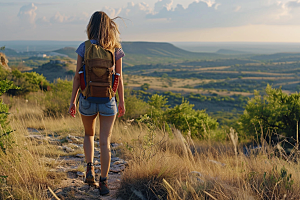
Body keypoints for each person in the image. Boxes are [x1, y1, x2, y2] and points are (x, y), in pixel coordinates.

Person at [68, 11, 125, 196]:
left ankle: (90, 169)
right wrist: (122, 102)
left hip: (87, 99)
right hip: (108, 101)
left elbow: (77, 77)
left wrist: (73, 101)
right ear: (109, 27)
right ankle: (104, 182)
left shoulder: (84, 47)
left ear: (90, 27)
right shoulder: (115, 49)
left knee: (88, 135)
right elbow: (119, 77)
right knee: (105, 142)